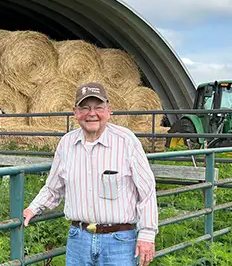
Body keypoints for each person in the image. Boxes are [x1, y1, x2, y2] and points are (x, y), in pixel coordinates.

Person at [23, 82, 158, 266]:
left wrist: (147, 234)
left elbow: (147, 191)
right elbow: (53, 188)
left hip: (119, 241)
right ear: (75, 112)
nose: (91, 113)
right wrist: (33, 208)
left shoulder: (126, 141)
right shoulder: (66, 144)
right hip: (79, 239)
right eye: (85, 108)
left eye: (98, 107)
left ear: (109, 110)